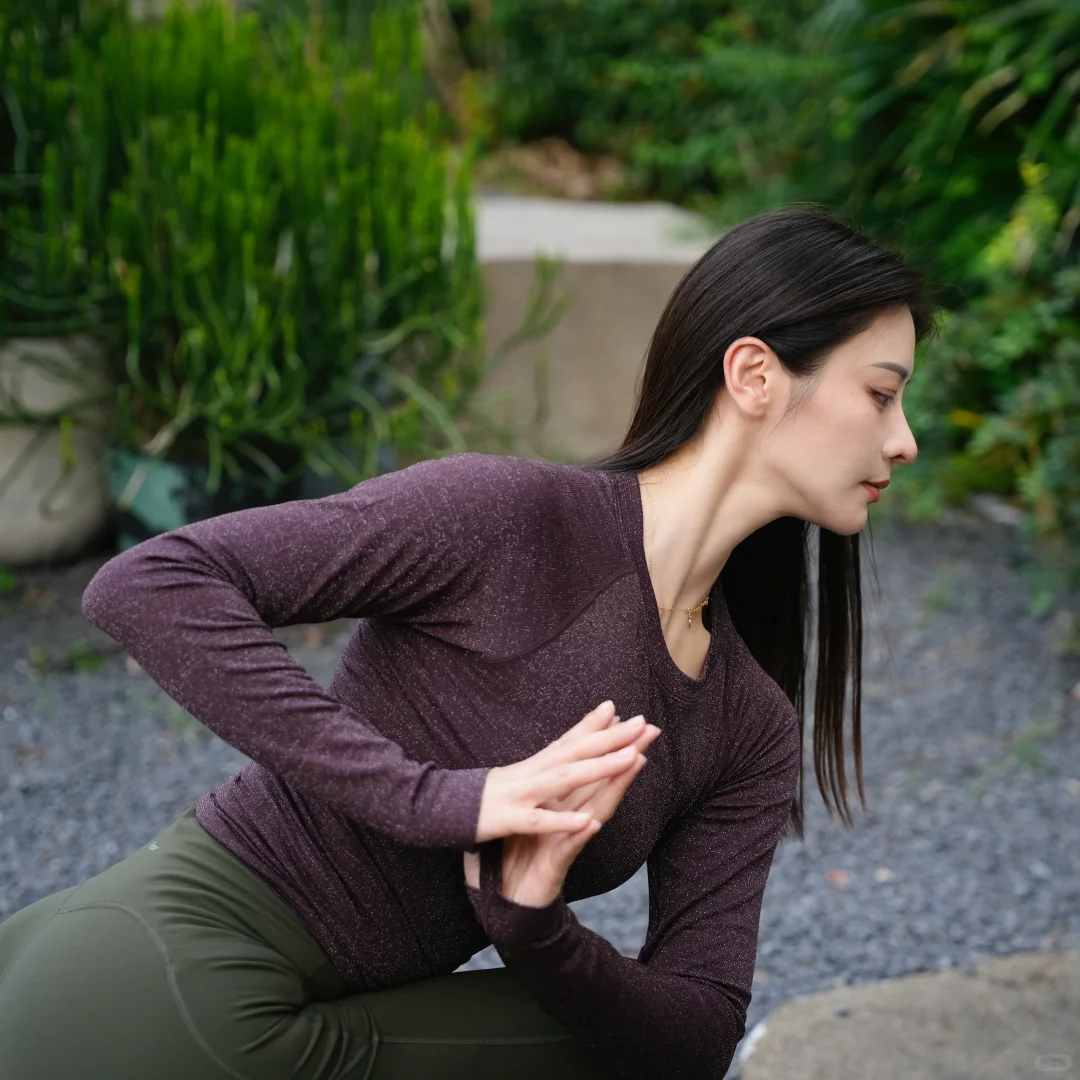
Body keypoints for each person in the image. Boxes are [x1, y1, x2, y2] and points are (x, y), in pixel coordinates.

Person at [0, 205, 937, 1079]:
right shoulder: (508, 519)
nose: (905, 441)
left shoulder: (745, 722)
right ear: (756, 376)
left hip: (309, 1022)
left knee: (603, 1049)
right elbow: (151, 583)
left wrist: (536, 930)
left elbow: (696, 1031)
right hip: (159, 970)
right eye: (881, 393)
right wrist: (447, 802)